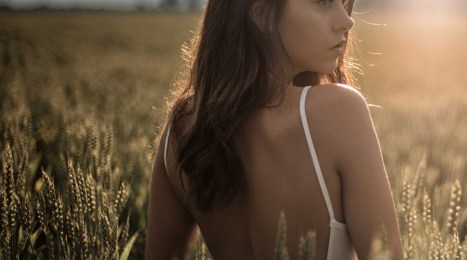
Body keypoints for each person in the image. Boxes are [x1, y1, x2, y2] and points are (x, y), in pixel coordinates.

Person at [144, 0, 403, 259]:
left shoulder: (180, 130)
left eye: (343, 2)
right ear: (263, 14)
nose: (347, 21)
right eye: (323, 2)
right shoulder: (342, 112)